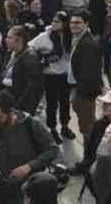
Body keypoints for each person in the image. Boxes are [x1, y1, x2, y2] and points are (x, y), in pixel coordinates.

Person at [0, 92, 58, 204]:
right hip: (5, 191)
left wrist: (29, 166)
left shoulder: (31, 125)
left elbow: (52, 150)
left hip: (32, 190)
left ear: (10, 112)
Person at [28, 10, 74, 143]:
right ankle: (52, 128)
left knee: (65, 103)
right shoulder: (45, 36)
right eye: (53, 21)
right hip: (50, 75)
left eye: (58, 22)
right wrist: (43, 58)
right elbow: (30, 47)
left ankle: (65, 126)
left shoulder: (69, 36)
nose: (54, 24)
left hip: (65, 75)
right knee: (52, 103)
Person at [68, 10, 102, 145]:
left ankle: (89, 155)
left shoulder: (87, 44)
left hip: (84, 92)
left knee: (87, 127)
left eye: (77, 22)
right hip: (80, 89)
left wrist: (78, 93)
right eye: (71, 22)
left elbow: (89, 74)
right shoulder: (79, 38)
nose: (73, 25)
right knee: (88, 123)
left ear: (86, 24)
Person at [0, 25, 44, 115]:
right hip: (5, 95)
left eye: (9, 37)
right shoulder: (11, 52)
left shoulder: (30, 58)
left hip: (19, 102)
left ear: (19, 39)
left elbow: (32, 88)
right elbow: (3, 71)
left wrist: (18, 107)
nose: (6, 40)